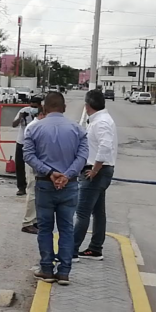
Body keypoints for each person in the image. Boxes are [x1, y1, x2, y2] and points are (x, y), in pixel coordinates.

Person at [23, 91, 88, 286]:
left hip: (44, 184)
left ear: (44, 108)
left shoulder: (33, 129)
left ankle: (47, 269)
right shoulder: (78, 129)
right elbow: (83, 156)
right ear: (64, 108)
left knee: (45, 229)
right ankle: (64, 272)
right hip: (69, 186)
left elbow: (28, 155)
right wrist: (67, 175)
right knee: (66, 228)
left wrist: (50, 172)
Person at [72, 89, 118, 261]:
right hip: (100, 170)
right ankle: (95, 248)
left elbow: (105, 147)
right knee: (98, 212)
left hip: (96, 171)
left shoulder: (101, 122)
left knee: (82, 212)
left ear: (88, 105)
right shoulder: (99, 120)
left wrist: (95, 170)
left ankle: (72, 250)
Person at [21, 104, 45, 234]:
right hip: (33, 162)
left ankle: (34, 220)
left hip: (38, 162)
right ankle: (27, 222)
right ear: (41, 115)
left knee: (37, 192)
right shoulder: (33, 126)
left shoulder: (38, 126)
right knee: (32, 191)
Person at [12, 96, 42, 196]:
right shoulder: (24, 111)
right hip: (22, 141)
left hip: (36, 142)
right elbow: (13, 124)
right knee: (19, 165)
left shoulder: (43, 113)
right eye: (31, 105)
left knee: (37, 165)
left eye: (35, 106)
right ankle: (21, 187)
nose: (32, 108)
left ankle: (38, 185)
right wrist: (21, 117)